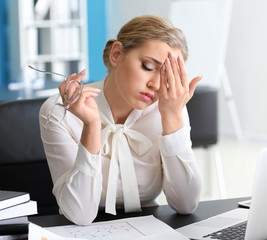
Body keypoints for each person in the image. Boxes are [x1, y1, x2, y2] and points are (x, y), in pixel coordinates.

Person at [39, 15, 203, 226]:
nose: (155, 84)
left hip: (149, 227)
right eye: (148, 67)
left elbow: (186, 204)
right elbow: (80, 214)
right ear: (117, 55)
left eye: (167, 76)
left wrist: (172, 118)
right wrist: (92, 126)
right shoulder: (59, 111)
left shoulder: (169, 108)